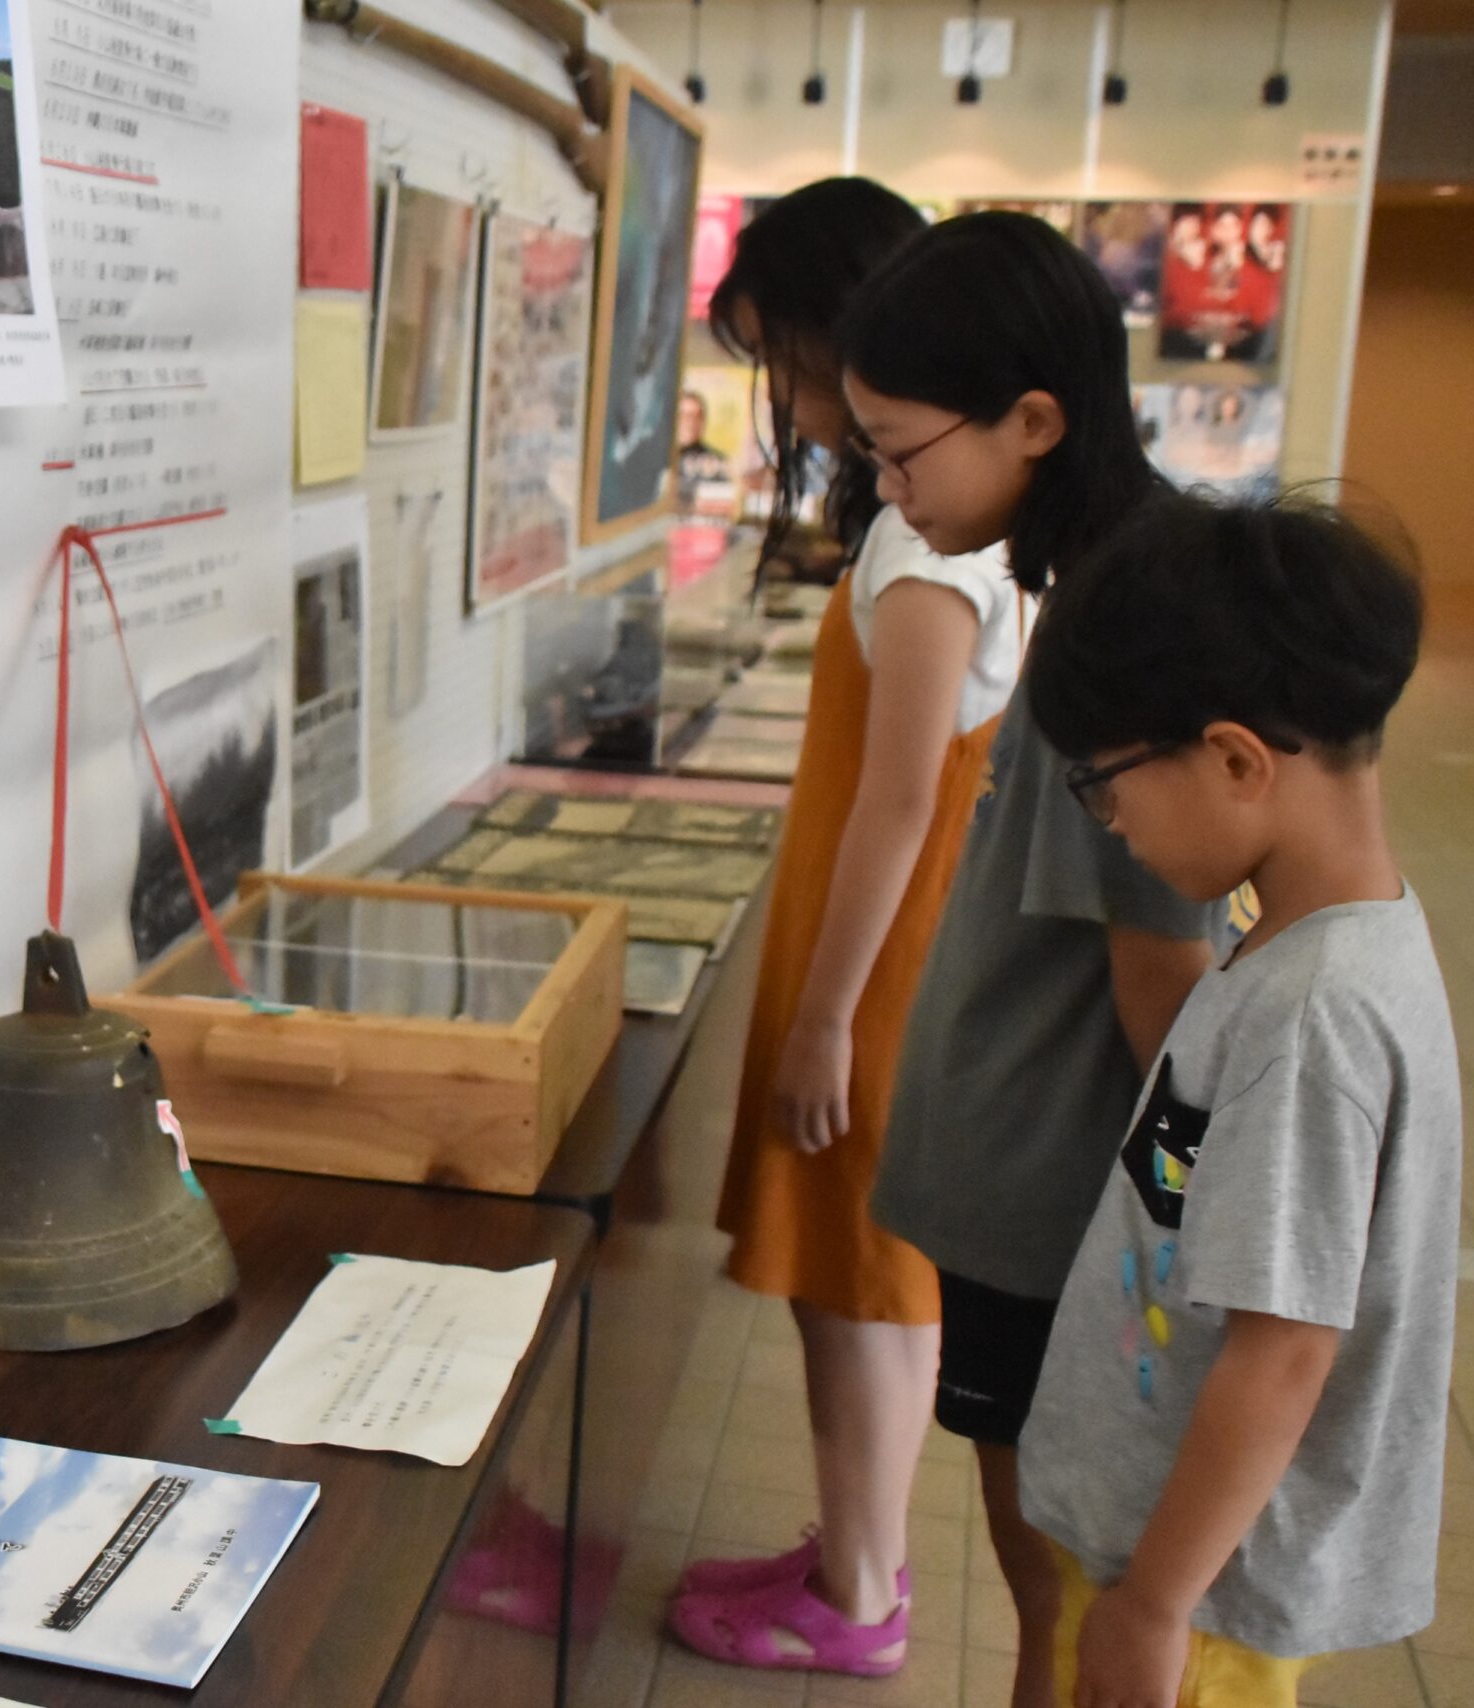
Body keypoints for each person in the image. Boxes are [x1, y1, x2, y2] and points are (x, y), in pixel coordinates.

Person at [837, 211, 1224, 1708]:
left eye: (899, 450)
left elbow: (1161, 979)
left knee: (1062, 1575)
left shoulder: (1127, 621)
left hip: (1060, 1206)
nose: (886, 487)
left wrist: (1203, 1235)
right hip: (1025, 1187)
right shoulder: (1099, 580)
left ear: (1036, 420)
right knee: (1043, 1569)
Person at [665, 179, 1027, 1680]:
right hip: (877, 957)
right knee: (858, 1279)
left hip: (877, 976)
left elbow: (896, 805)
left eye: (802, 367)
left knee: (860, 1287)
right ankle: (852, 1545)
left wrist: (820, 1017)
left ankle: (861, 1596)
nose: (800, 407)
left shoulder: (926, 549)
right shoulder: (932, 526)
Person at [1018, 493, 1455, 1707]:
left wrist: (1154, 1603)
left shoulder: (1313, 1017)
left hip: (1197, 1599)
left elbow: (1285, 1351)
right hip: (1168, 1564)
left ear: (1232, 759)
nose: (1109, 824)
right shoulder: (1307, 942)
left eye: (1105, 787)